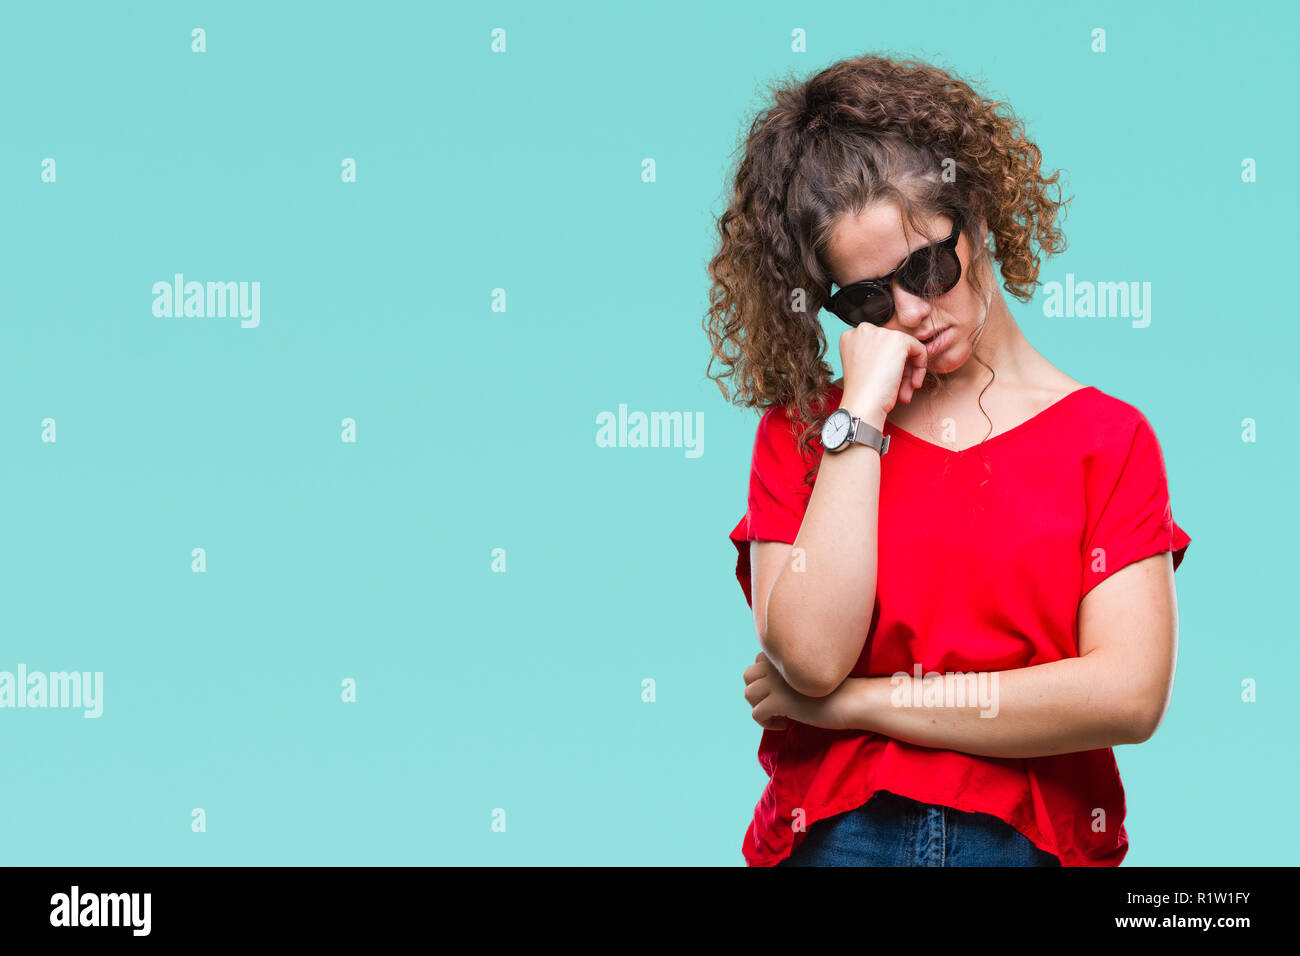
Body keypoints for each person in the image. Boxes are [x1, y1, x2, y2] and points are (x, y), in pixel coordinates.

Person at [704, 54, 1191, 866]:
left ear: (981, 217)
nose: (910, 313)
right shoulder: (805, 434)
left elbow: (1127, 696)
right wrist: (858, 415)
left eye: (926, 267)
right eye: (865, 300)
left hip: (1027, 845)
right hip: (838, 842)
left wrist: (857, 706)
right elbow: (812, 655)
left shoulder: (1108, 441)